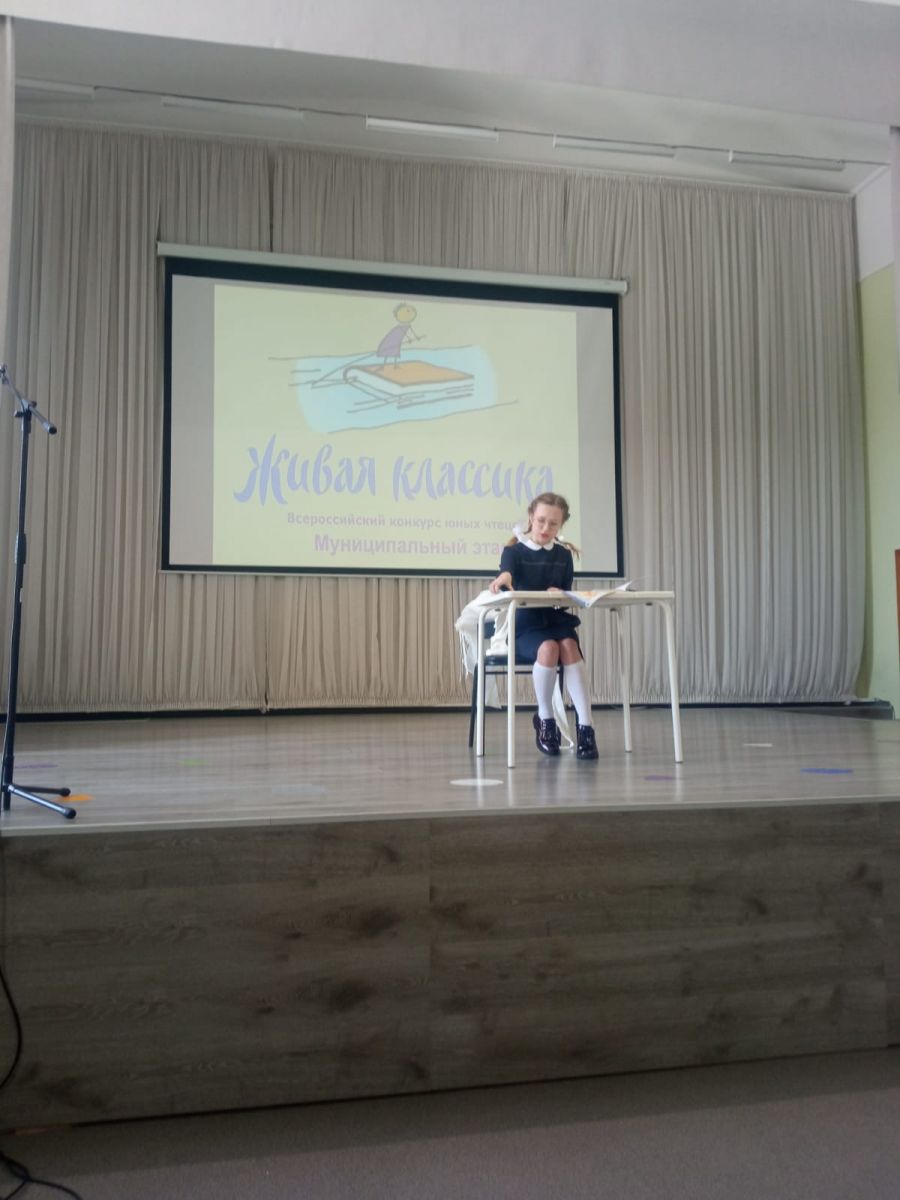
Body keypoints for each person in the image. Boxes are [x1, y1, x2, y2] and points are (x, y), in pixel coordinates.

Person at [489, 492, 599, 760]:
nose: (546, 528)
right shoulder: (513, 551)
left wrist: (559, 593)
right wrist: (503, 578)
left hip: (556, 620)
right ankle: (545, 720)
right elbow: (507, 572)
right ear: (531, 517)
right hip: (526, 627)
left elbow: (565, 594)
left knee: (569, 645)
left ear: (561, 525)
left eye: (553, 523)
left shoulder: (563, 555)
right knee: (549, 648)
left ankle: (586, 727)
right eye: (540, 521)